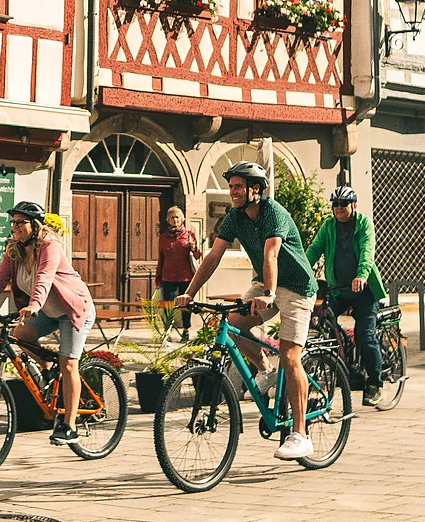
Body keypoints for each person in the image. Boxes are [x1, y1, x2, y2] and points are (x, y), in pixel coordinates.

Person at [180, 162, 316, 460]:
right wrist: (190, 292)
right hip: (265, 285)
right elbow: (213, 256)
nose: (233, 192)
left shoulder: (273, 213)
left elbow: (271, 254)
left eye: (238, 186)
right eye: (231, 187)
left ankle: (300, 435)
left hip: (297, 288)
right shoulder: (234, 216)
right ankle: (265, 370)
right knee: (232, 325)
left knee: (290, 356)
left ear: (256, 189)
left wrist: (269, 294)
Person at [0, 201, 96, 444]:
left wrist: (34, 305)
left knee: (69, 363)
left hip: (73, 309)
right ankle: (48, 369)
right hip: (47, 311)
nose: (15, 226)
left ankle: (69, 426)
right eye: (13, 222)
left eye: (21, 222)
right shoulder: (14, 250)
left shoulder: (49, 246)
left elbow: (44, 278)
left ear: (35, 225)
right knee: (20, 336)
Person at [306, 185, 384, 402]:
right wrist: (300, 271)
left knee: (365, 336)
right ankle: (344, 364)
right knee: (323, 323)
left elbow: (367, 252)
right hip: (338, 290)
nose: (338, 208)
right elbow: (314, 249)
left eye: (343, 204)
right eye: (335, 204)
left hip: (364, 290)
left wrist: (361, 275)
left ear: (354, 205)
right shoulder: (329, 226)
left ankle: (375, 384)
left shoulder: (364, 224)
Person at [156, 205, 198, 302]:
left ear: (182, 219)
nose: (175, 220)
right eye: (172, 218)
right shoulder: (163, 238)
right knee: (169, 306)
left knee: (186, 304)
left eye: (177, 217)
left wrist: (193, 248)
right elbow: (161, 258)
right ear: (168, 220)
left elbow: (197, 256)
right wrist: (158, 277)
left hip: (186, 276)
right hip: (168, 276)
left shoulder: (189, 235)